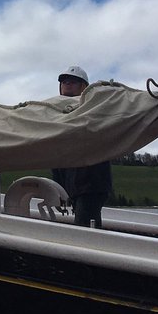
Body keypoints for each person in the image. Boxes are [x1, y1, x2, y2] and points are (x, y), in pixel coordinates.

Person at [50, 66, 114, 228]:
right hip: (71, 182)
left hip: (91, 183)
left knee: (85, 228)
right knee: (83, 225)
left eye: (73, 81)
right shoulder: (56, 113)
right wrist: (59, 186)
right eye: (64, 81)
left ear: (84, 87)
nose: (67, 84)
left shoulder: (94, 109)